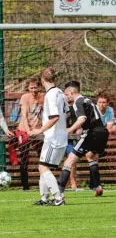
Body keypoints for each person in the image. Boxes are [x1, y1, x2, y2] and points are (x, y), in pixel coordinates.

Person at [58, 81, 108, 198]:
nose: (66, 97)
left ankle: (59, 192)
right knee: (91, 156)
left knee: (69, 161)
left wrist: (69, 130)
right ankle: (97, 186)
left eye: (66, 95)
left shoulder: (78, 102)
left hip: (91, 133)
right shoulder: (88, 99)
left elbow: (82, 119)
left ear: (71, 93)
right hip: (102, 133)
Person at [29, 68, 67, 206]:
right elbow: (66, 113)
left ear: (42, 80)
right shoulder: (61, 93)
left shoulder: (51, 95)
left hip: (54, 137)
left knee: (43, 168)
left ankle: (58, 197)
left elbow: (55, 117)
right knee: (43, 167)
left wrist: (40, 130)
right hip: (57, 136)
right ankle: (44, 198)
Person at [7, 78, 44, 190]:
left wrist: (41, 129)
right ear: (28, 88)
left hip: (37, 131)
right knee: (24, 157)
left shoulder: (43, 97)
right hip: (24, 131)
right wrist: (28, 131)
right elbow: (24, 115)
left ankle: (45, 182)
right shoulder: (25, 97)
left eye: (35, 87)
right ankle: (25, 185)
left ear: (39, 87)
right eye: (31, 88)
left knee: (43, 157)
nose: (33, 90)